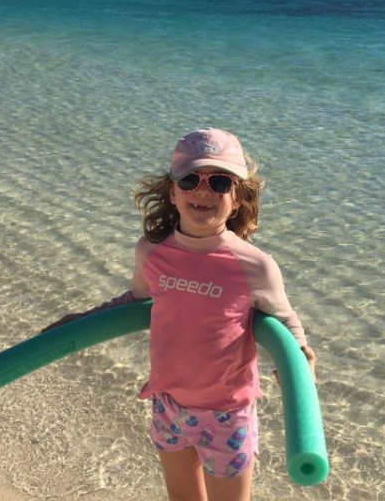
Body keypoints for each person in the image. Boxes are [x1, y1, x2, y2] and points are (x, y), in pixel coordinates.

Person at [44, 128, 315, 501]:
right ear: (172, 192)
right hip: (168, 403)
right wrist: (81, 322)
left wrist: (299, 362)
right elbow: (134, 300)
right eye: (189, 179)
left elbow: (285, 321)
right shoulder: (152, 253)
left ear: (236, 198)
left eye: (219, 181)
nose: (202, 190)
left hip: (227, 413)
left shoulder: (255, 266)